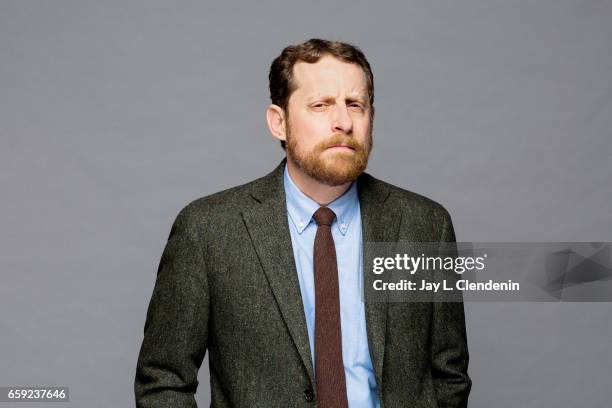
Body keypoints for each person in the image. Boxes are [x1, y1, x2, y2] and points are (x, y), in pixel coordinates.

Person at [135, 38, 471, 408]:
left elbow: (449, 375)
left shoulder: (426, 226)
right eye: (321, 105)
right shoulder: (207, 231)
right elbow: (162, 381)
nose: (343, 122)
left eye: (355, 105)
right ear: (278, 122)